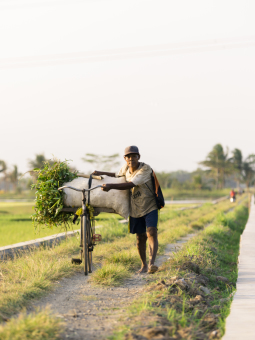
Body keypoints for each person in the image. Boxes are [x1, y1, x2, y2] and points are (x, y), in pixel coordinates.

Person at [93, 146, 159, 274]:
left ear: (138, 157)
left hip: (149, 205)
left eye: (133, 156)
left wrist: (111, 186)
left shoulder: (145, 169)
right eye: (128, 156)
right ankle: (144, 265)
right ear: (125, 158)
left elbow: (131, 184)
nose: (131, 159)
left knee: (151, 231)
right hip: (135, 207)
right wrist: (101, 173)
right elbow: (117, 175)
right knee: (140, 237)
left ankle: (152, 264)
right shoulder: (125, 168)